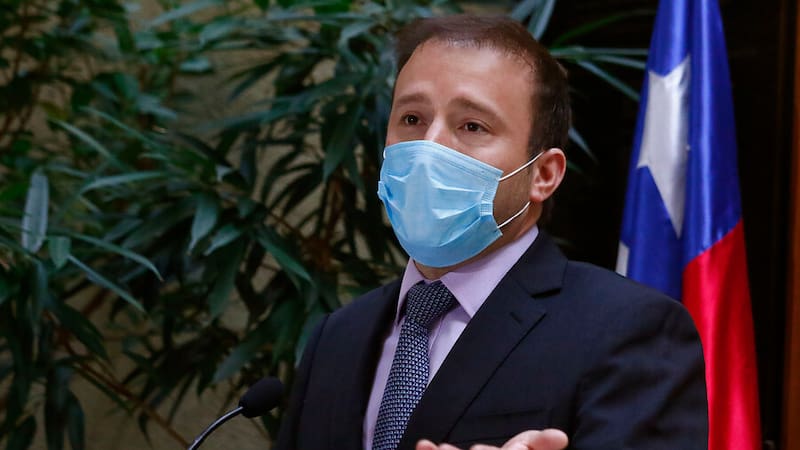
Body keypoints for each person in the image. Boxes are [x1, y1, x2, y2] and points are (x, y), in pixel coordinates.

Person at [275, 14, 707, 450]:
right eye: (411, 118)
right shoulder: (337, 336)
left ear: (543, 174)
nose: (429, 146)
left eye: (472, 126)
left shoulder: (629, 329)